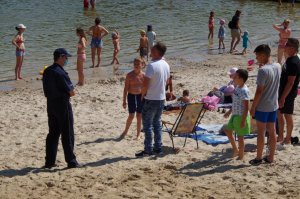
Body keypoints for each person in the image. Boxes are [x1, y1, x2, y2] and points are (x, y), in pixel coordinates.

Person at [42, 48, 80, 169]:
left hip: (51, 105)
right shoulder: (61, 73)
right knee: (67, 133)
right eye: (66, 57)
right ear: (61, 57)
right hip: (62, 105)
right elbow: (71, 92)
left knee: (53, 133)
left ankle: (49, 161)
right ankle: (71, 161)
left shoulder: (47, 71)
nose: (67, 60)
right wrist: (71, 91)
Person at [136, 42, 170, 157]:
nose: (150, 52)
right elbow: (166, 82)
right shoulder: (166, 64)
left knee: (147, 125)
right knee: (156, 123)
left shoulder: (152, 65)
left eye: (152, 50)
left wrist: (142, 95)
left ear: (157, 52)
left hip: (151, 98)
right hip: (161, 98)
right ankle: (158, 148)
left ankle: (148, 150)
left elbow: (145, 84)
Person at [249, 44, 281, 165]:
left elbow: (259, 91)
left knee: (261, 132)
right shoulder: (278, 66)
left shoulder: (262, 71)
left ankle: (258, 157)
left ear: (263, 55)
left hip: (263, 106)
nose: (256, 59)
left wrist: (253, 107)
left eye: (257, 56)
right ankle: (271, 157)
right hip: (273, 104)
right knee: (272, 131)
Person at [224, 69, 251, 160]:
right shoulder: (237, 87)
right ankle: (236, 149)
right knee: (228, 131)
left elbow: (247, 107)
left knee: (240, 136)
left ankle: (241, 155)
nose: (234, 78)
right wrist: (229, 111)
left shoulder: (244, 90)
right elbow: (235, 102)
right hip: (234, 114)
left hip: (240, 116)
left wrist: (243, 120)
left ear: (242, 79)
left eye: (236, 77)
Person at [277, 38, 300, 144]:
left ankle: (287, 139)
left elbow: (291, 82)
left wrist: (283, 97)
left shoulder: (294, 62)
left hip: (288, 93)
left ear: (292, 48)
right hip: (283, 91)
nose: (284, 46)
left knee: (287, 115)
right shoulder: (290, 59)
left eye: (286, 45)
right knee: (279, 113)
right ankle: (281, 136)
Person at [120, 58, 145, 140]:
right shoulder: (129, 75)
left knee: (139, 115)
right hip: (131, 96)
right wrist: (124, 101)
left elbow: (145, 88)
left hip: (140, 97)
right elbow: (125, 88)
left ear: (142, 65)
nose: (136, 66)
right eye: (135, 64)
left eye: (138, 64)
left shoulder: (144, 75)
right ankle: (126, 131)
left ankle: (138, 134)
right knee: (131, 115)